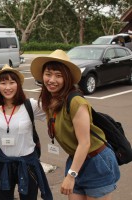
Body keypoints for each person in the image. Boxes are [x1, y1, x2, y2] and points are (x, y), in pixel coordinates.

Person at [30, 49, 120, 200]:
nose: (52, 80)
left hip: (96, 161)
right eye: (48, 74)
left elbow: (85, 143)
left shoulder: (76, 101)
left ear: (67, 78)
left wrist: (71, 176)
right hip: (76, 160)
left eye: (58, 76)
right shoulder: (50, 100)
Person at [0, 64, 53, 200]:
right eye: (3, 83)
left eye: (12, 82)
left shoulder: (31, 105)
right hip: (3, 163)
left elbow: (53, 113)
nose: (8, 87)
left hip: (27, 163)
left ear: (18, 85)